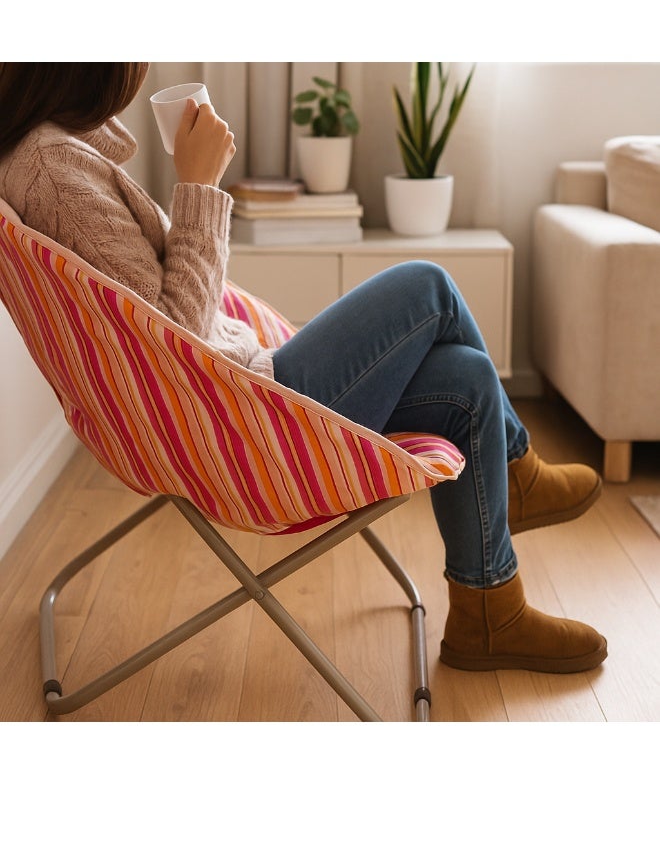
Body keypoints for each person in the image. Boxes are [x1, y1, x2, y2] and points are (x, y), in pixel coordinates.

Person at [0, 62, 607, 674]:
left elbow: (153, 328)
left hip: (232, 399)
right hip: (242, 419)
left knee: (468, 380)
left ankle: (487, 614)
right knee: (430, 287)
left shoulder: (44, 156)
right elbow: (173, 340)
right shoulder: (57, 175)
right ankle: (516, 475)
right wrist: (199, 184)